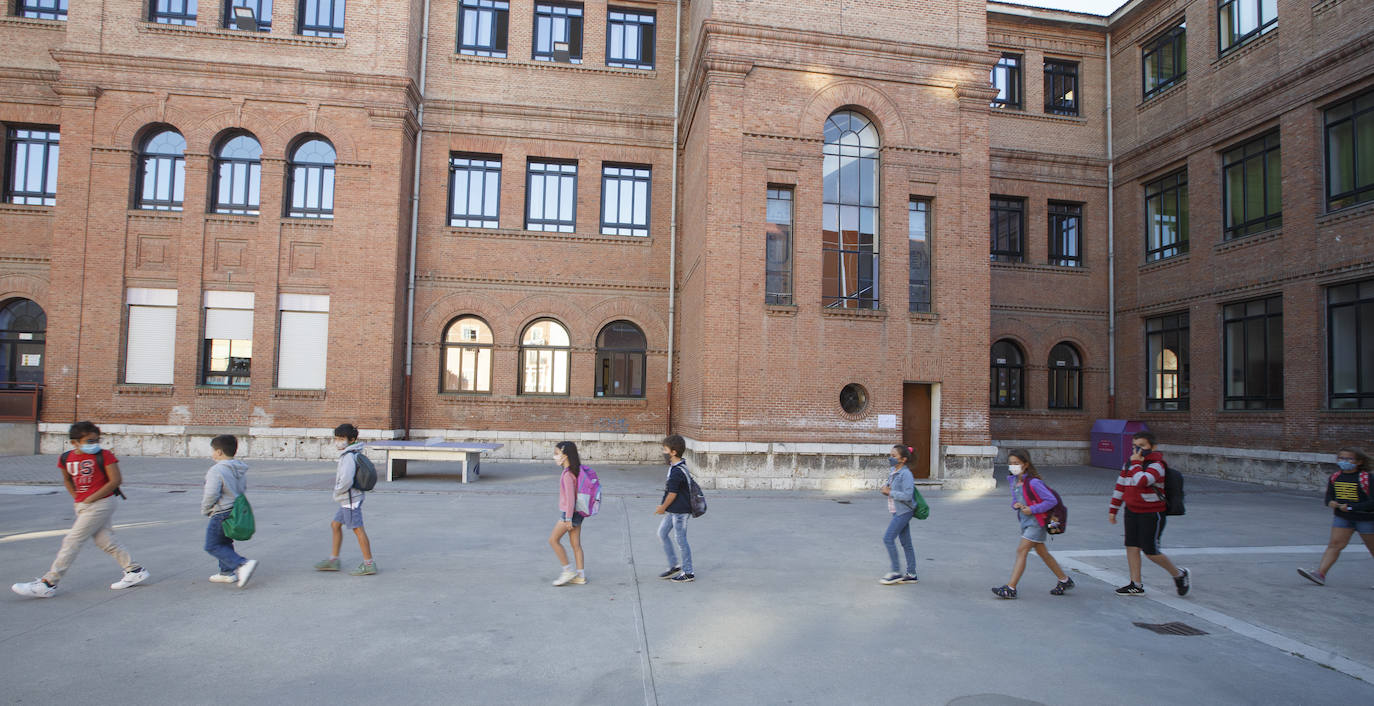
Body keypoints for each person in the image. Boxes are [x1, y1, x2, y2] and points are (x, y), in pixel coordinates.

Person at [11, 421, 149, 598]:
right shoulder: (66, 458)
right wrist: (77, 497)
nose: (94, 445)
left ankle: (49, 583)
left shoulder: (104, 455)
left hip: (102, 503)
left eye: (97, 440)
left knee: (72, 540)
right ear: (75, 442)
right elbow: (67, 479)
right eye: (89, 441)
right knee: (105, 541)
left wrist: (91, 498)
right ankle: (134, 570)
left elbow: (115, 481)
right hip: (83, 504)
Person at [1108, 431, 1189, 596]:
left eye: (1142, 446)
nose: (1138, 450)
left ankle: (1179, 574)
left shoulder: (1157, 465)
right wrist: (1113, 509)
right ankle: (1135, 584)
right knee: (1131, 546)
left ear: (1153, 447)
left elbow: (1142, 481)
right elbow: (1120, 487)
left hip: (1151, 513)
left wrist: (1136, 464)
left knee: (1150, 551)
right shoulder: (1129, 464)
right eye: (1135, 446)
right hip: (1131, 510)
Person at [991, 449, 1072, 599]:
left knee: (1022, 550)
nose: (1013, 466)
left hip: (1037, 522)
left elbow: (1051, 501)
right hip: (1026, 521)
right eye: (1010, 463)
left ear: (1026, 464)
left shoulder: (1034, 482)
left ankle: (1011, 588)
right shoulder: (1014, 481)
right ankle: (1064, 580)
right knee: (1043, 553)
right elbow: (1016, 499)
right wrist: (1015, 505)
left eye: (1016, 463)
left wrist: (1033, 509)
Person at [1298, 448, 1374, 587]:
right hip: (1342, 517)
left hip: (1366, 519)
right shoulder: (1335, 477)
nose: (1344, 462)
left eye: (1349, 459)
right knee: (1334, 545)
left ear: (1359, 461)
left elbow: (1372, 501)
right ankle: (1320, 574)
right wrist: (1332, 503)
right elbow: (1328, 498)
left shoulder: (1367, 478)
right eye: (1341, 458)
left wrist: (1351, 507)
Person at [314, 424, 376, 576]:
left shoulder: (348, 456)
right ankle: (333, 560)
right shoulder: (351, 453)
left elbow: (346, 480)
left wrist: (337, 491)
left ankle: (369, 563)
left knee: (357, 529)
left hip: (350, 499)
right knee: (335, 525)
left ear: (352, 439)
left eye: (341, 439)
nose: (338, 442)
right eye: (336, 438)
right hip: (348, 499)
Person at [201, 434, 257, 587]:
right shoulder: (239, 468)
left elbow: (212, 493)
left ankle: (242, 564)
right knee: (224, 542)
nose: (212, 454)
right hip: (235, 511)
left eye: (213, 450)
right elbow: (241, 488)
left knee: (212, 545)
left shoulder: (216, 470)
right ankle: (226, 573)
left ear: (219, 452)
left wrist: (206, 509)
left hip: (221, 511)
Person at [655, 434, 695, 583]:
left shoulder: (677, 471)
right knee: (662, 533)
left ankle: (688, 572)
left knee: (681, 540)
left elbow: (672, 494)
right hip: (673, 510)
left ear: (673, 452)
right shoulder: (677, 466)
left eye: (665, 449)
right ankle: (674, 565)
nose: (663, 452)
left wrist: (662, 507)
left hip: (680, 512)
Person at [878, 444, 919, 585]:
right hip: (897, 510)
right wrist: (885, 487)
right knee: (906, 543)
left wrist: (890, 492)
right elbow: (890, 485)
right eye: (890, 455)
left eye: (894, 456)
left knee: (888, 538)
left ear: (903, 459)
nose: (891, 458)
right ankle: (912, 574)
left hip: (904, 511)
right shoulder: (893, 470)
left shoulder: (906, 474)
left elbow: (907, 495)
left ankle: (895, 572)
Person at [549, 441, 587, 587]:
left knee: (553, 540)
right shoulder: (576, 471)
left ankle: (567, 571)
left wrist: (568, 519)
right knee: (576, 545)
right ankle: (580, 576)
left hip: (570, 514)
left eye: (557, 453)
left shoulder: (567, 475)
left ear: (565, 456)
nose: (555, 457)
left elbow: (571, 498)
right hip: (579, 512)